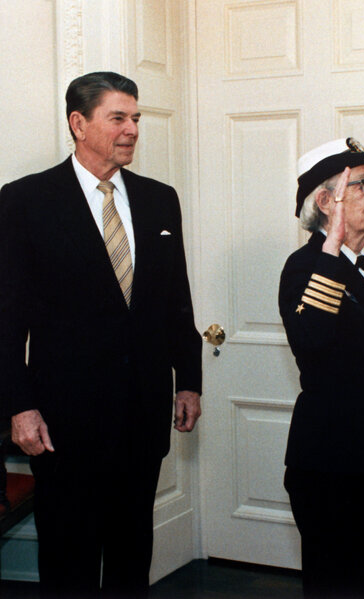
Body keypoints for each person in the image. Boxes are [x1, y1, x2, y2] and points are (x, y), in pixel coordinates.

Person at [0, 71, 202, 598]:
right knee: (70, 558)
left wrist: (189, 381)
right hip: (63, 423)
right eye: (118, 117)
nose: (133, 129)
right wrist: (20, 407)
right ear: (78, 123)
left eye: (136, 118)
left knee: (132, 556)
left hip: (142, 415)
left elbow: (176, 301)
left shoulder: (160, 199)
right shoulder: (25, 202)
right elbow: (6, 319)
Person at [279, 138, 364, 598]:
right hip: (332, 464)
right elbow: (312, 341)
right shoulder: (304, 268)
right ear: (324, 202)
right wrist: (332, 243)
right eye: (361, 185)